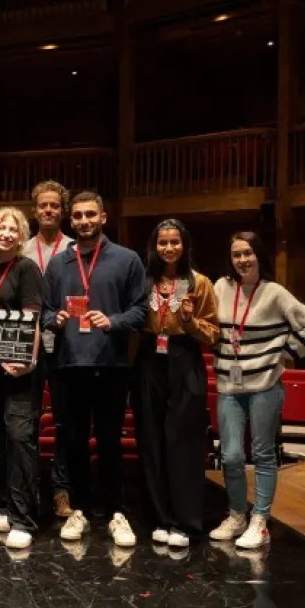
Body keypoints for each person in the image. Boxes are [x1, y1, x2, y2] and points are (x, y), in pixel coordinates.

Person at [41, 191, 148, 548]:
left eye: (91, 215)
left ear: (103, 217)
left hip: (111, 364)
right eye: (78, 216)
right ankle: (80, 511)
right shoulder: (58, 264)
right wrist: (52, 318)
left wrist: (114, 321)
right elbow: (41, 309)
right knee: (72, 442)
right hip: (68, 364)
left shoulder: (127, 259)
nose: (84, 221)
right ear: (71, 221)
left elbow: (141, 310)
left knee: (109, 440)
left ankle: (116, 512)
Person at [210, 231, 305, 550]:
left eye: (248, 253)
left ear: (259, 255)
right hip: (229, 387)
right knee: (231, 455)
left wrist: (282, 352)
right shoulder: (221, 287)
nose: (242, 260)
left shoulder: (275, 293)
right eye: (236, 254)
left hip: (264, 387)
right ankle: (237, 514)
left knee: (262, 454)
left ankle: (259, 520)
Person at [131, 219, 220, 548]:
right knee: (151, 439)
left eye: (175, 242)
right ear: (154, 246)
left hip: (185, 361)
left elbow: (214, 333)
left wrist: (189, 321)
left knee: (183, 443)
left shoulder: (200, 283)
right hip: (149, 360)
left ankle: (185, 521)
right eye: (162, 242)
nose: (168, 248)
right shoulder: (145, 281)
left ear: (185, 245)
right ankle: (160, 517)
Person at [0, 207, 43, 550]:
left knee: (20, 437)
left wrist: (29, 361)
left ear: (22, 236)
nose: (6, 232)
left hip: (20, 368)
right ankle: (5, 504)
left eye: (13, 228)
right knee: (1, 436)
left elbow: (33, 317)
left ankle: (24, 518)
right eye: (1, 227)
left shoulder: (27, 269)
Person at [22, 180, 76, 520]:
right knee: (25, 421)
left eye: (54, 205)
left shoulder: (75, 249)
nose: (48, 210)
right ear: (34, 210)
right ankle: (26, 491)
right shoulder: (22, 249)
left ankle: (61, 490)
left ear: (63, 210)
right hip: (27, 345)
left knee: (64, 421)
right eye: (43, 205)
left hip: (65, 345)